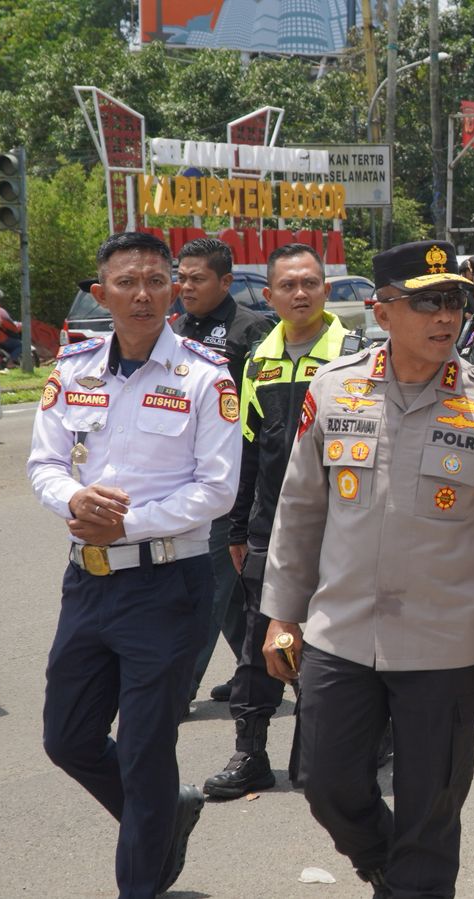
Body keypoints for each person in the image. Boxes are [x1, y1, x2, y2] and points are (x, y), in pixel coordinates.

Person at [260, 240, 474, 898]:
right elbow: (301, 509)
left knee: (430, 814)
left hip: (445, 649)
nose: (445, 317)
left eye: (452, 300)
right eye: (426, 303)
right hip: (341, 635)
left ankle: (414, 881)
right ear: (381, 311)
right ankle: (392, 870)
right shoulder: (332, 390)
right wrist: (282, 613)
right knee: (326, 785)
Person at [30, 231, 241, 899]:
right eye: (127, 282)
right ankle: (161, 818)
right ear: (102, 295)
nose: (143, 293)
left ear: (175, 290)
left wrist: (128, 522)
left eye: (156, 279)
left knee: (148, 751)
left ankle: (140, 883)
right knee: (68, 739)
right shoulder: (73, 370)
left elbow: (218, 490)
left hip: (167, 584)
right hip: (88, 580)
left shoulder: (205, 375)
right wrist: (74, 498)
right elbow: (43, 463)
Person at [201, 243, 348, 800]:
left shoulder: (353, 354)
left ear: (326, 290)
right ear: (269, 296)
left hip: (342, 521)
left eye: (310, 283)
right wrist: (238, 528)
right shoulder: (259, 358)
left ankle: (325, 748)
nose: (300, 293)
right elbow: (247, 449)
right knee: (259, 642)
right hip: (271, 526)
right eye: (288, 286)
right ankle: (251, 753)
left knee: (336, 639)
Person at [171, 237, 271, 707]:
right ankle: (275, 671)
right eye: (182, 277)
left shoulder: (251, 330)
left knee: (208, 587)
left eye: (197, 278)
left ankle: (177, 689)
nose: (185, 286)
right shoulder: (174, 328)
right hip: (181, 474)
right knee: (230, 595)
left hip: (229, 479)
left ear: (225, 281)